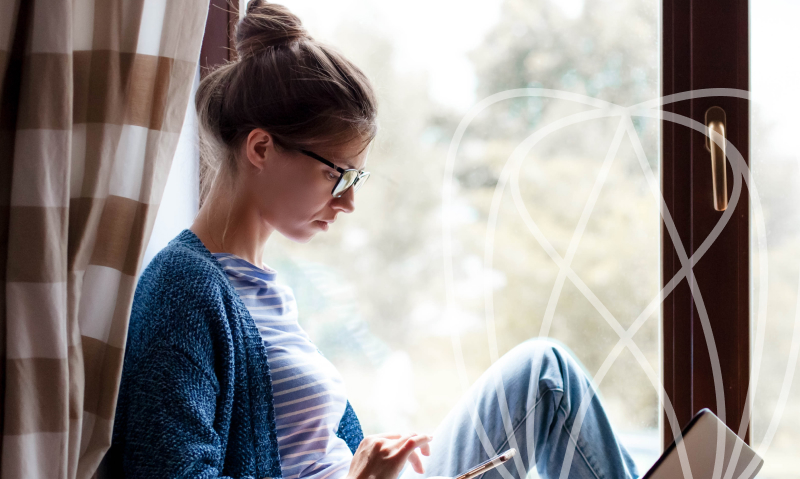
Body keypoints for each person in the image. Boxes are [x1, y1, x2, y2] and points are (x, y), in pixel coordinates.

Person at [109, 2, 640, 479]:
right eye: (336, 174)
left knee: (545, 374)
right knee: (545, 375)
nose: (348, 201)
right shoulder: (184, 287)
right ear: (262, 148)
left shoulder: (264, 290)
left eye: (354, 179)